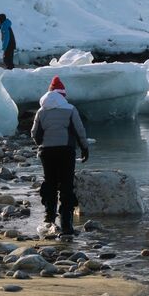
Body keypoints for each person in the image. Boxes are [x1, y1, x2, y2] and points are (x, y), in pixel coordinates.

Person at [31, 76, 89, 237]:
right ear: (63, 94)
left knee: (50, 183)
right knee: (66, 185)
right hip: (66, 151)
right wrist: (84, 148)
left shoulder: (41, 111)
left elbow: (35, 133)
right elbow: (79, 131)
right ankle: (66, 224)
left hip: (46, 152)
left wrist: (42, 144)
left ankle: (49, 217)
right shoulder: (70, 109)